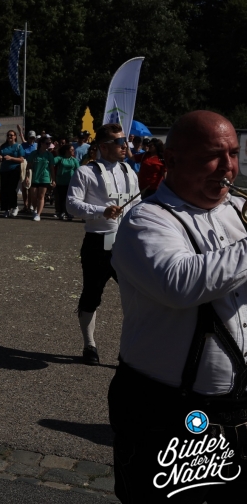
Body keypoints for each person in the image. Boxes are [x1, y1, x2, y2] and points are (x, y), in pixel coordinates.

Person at [109, 110, 247, 503]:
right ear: (172, 160)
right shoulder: (145, 220)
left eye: (233, 154)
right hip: (167, 410)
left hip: (236, 409)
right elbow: (180, 283)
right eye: (212, 156)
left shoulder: (237, 212)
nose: (228, 168)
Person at [66, 122, 140, 365]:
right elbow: (72, 205)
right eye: (119, 142)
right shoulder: (85, 172)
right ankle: (89, 345)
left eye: (125, 141)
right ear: (104, 146)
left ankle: (132, 349)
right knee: (91, 295)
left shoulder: (129, 171)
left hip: (126, 243)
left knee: (137, 296)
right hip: (98, 243)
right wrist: (101, 211)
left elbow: (137, 206)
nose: (125, 146)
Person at [0, 130, 26, 218]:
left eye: (11, 135)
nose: (9, 137)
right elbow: (0, 155)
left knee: (11, 189)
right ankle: (6, 209)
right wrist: (0, 158)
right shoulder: (3, 146)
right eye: (8, 135)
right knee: (4, 190)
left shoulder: (18, 146)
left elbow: (21, 159)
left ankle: (14, 206)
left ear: (15, 136)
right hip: (4, 170)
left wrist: (11, 158)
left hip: (14, 169)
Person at [26, 136, 55, 221]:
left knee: (41, 196)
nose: (48, 145)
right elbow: (28, 166)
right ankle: (35, 209)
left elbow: (52, 168)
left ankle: (38, 214)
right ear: (41, 144)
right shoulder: (34, 153)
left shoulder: (49, 155)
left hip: (45, 177)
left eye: (49, 143)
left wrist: (53, 179)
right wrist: (27, 176)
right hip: (34, 177)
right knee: (33, 196)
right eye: (47, 143)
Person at [53, 144, 80, 220]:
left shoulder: (74, 160)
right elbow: (52, 162)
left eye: (73, 150)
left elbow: (78, 170)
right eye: (71, 150)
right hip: (60, 181)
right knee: (61, 198)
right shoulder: (60, 158)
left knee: (69, 198)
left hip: (71, 182)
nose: (73, 151)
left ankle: (69, 212)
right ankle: (61, 212)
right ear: (66, 151)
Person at [17, 125, 37, 213]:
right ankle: (25, 205)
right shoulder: (23, 145)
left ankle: (30, 205)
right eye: (30, 138)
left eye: (33, 138)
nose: (32, 139)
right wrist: (20, 131)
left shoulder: (36, 145)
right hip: (24, 167)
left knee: (30, 187)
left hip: (33, 167)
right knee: (24, 187)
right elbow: (23, 140)